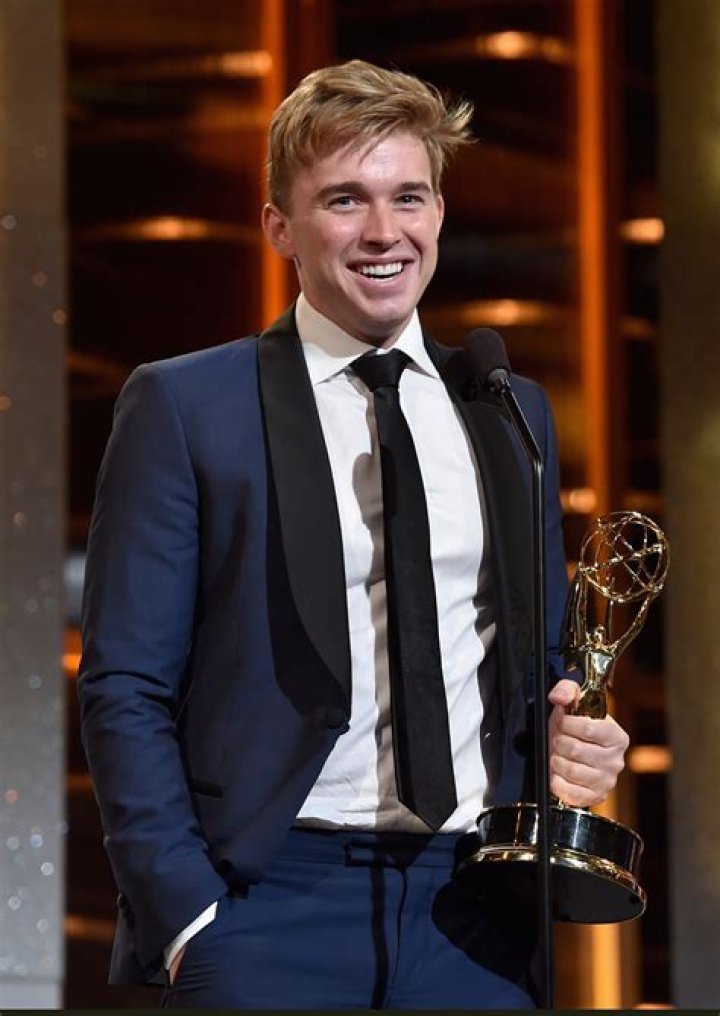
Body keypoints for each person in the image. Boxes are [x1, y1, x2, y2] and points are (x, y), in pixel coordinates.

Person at [79, 59, 629, 1010]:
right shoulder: (186, 405)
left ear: (439, 213)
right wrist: (187, 918)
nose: (384, 232)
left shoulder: (506, 407)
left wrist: (579, 737)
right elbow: (125, 683)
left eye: (407, 196)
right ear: (279, 227)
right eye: (345, 200)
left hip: (477, 913)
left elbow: (536, 659)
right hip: (267, 904)